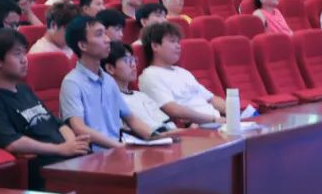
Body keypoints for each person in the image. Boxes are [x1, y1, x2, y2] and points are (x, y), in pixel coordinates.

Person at [0, 28, 90, 189]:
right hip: (44, 166)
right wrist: (60, 149)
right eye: (17, 54)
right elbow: (12, 143)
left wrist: (72, 145)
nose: (24, 60)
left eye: (24, 53)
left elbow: (58, 123)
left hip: (66, 157)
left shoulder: (24, 90)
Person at [60, 16, 159, 149]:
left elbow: (131, 119)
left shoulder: (108, 80)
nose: (107, 39)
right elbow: (79, 128)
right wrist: (118, 147)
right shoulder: (72, 83)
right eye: (99, 34)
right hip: (93, 155)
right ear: (83, 45)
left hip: (117, 149)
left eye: (105, 33)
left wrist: (159, 138)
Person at [137, 22, 228, 121]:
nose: (178, 46)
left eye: (178, 42)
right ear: (155, 46)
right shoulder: (150, 76)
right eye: (172, 41)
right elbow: (173, 109)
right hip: (196, 125)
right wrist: (213, 119)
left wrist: (232, 112)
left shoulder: (183, 72)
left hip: (216, 121)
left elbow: (211, 99)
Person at [102, 43, 176, 133]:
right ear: (110, 68)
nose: (133, 65)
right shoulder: (110, 99)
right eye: (126, 61)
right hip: (145, 139)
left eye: (133, 60)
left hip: (167, 136)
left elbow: (167, 123)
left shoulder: (141, 96)